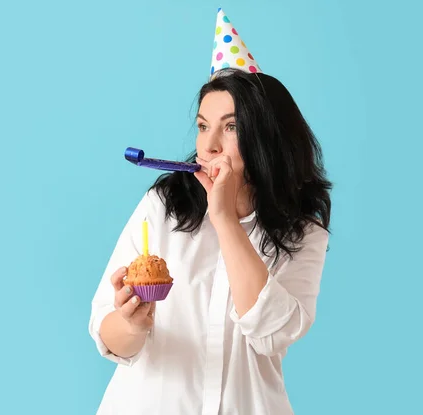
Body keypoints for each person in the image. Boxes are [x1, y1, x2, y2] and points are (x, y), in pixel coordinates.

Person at [88, 9, 332, 415]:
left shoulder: (304, 233)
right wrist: (131, 323)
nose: (210, 146)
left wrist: (224, 219)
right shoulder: (162, 207)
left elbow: (272, 332)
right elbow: (107, 335)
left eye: (231, 127)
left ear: (267, 139)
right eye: (203, 127)